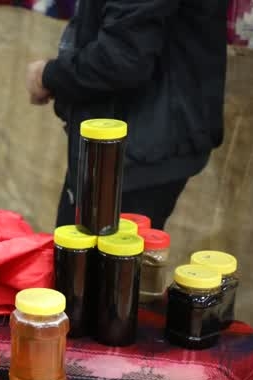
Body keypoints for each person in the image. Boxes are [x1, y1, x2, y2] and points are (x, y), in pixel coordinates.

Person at [26, 0, 228, 230]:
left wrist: (47, 76)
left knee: (92, 249)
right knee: (79, 244)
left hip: (136, 146)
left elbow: (122, 58)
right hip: (126, 140)